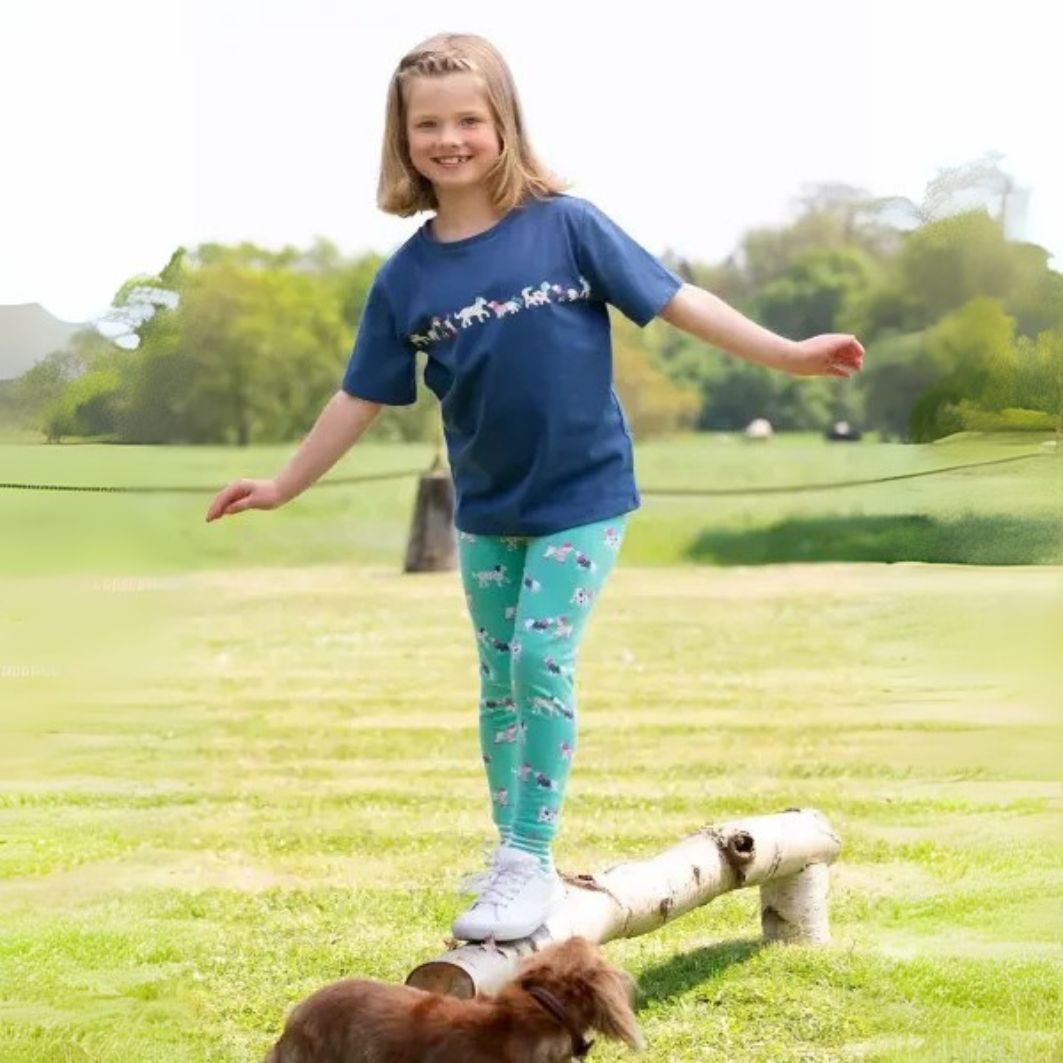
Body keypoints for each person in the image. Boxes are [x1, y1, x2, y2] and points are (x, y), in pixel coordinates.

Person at [205, 32, 864, 944]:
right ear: (403, 139)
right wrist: (281, 484)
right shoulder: (408, 276)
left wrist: (789, 354)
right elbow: (360, 395)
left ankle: (527, 850)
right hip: (488, 509)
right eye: (427, 123)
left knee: (536, 661)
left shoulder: (566, 225)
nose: (450, 138)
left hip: (584, 495)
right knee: (496, 682)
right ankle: (516, 854)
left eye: (468, 118)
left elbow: (678, 299)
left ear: (502, 124)